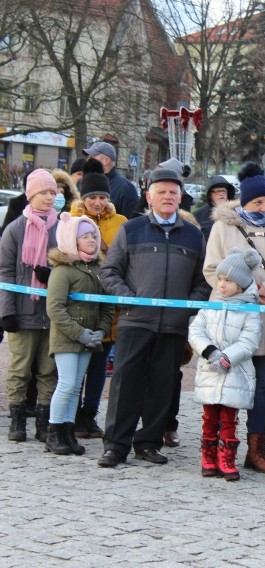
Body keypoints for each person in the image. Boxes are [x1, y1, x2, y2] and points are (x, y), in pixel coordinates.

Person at [97, 167, 211, 468]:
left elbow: (203, 281)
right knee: (125, 386)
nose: (168, 197)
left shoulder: (193, 235)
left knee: (162, 387)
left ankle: (148, 442)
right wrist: (129, 299)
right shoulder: (131, 230)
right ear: (149, 196)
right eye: (162, 191)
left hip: (173, 325)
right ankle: (115, 446)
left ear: (180, 197)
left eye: (174, 192)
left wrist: (189, 305)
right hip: (136, 322)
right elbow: (109, 271)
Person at [204, 162, 265, 474]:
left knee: (261, 387)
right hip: (231, 319)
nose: (263, 207)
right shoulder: (224, 228)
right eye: (257, 202)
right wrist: (241, 291)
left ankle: (256, 449)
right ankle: (219, 448)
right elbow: (211, 269)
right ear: (244, 202)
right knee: (227, 385)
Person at [188, 248, 263, 481]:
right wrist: (209, 351)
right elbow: (196, 329)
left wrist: (227, 357)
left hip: (234, 373)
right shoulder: (211, 305)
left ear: (240, 284)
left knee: (229, 418)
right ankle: (208, 457)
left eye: (228, 280)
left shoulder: (250, 310)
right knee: (209, 417)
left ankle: (226, 458)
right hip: (210, 370)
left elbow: (250, 340)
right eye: (220, 279)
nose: (221, 284)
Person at [44, 214, 114, 455]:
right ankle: (54, 432)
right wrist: (79, 333)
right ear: (73, 240)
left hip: (90, 338)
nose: (92, 239)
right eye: (85, 236)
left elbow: (107, 306)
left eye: (93, 235)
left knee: (75, 388)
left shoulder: (98, 269)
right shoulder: (63, 270)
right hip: (67, 338)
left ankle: (68, 431)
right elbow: (55, 308)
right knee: (66, 384)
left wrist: (101, 331)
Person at [68, 159, 128, 438]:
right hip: (80, 304)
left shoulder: (121, 222)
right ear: (84, 198)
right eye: (92, 197)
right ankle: (70, 416)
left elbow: (123, 258)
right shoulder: (70, 218)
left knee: (99, 366)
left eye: (103, 197)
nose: (98, 202)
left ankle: (89, 415)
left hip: (108, 303)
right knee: (75, 366)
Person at [1, 169, 60, 442]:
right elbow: (5, 273)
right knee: (21, 368)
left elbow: (72, 265)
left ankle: (43, 421)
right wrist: (6, 312)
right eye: (44, 193)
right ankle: (17, 420)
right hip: (22, 312)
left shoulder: (63, 228)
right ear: (31, 195)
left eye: (53, 193)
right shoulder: (15, 229)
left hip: (53, 313)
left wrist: (54, 276)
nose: (49, 198)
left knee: (48, 369)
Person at [82, 141, 138, 218]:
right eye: (88, 157)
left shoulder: (125, 188)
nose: (88, 160)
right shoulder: (86, 183)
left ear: (106, 160)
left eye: (92, 157)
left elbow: (132, 222)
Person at [193, 176, 236, 240]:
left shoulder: (237, 213)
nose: (221, 194)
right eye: (218, 191)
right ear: (210, 195)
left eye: (224, 191)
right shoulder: (198, 215)